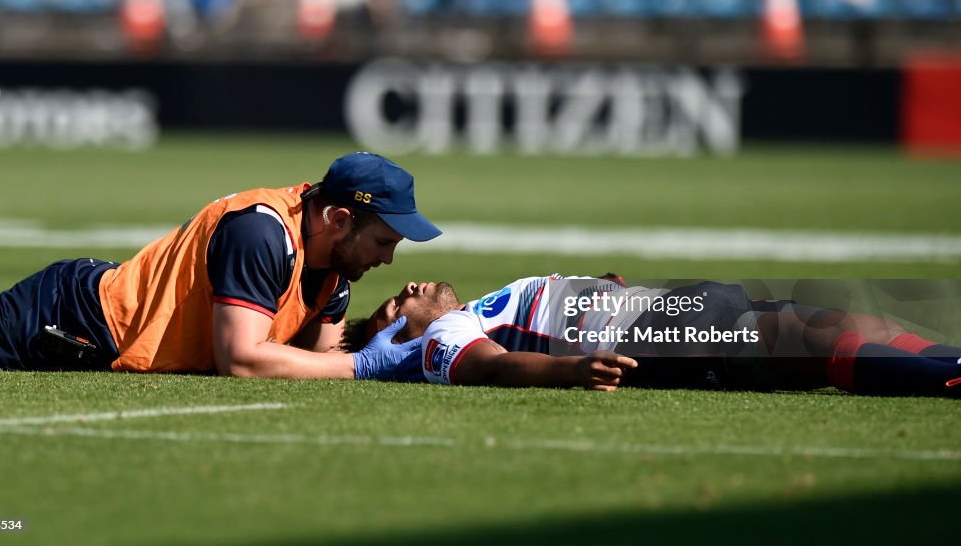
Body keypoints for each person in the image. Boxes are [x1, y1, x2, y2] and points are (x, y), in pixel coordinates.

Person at [0, 152, 438, 381]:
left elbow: (313, 362)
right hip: (74, 315)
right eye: (382, 241)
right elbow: (241, 360)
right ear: (339, 218)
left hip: (109, 321)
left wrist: (376, 335)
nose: (389, 259)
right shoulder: (261, 232)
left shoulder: (334, 277)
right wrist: (365, 366)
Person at [348, 275, 961, 396]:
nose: (408, 288)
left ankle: (948, 363)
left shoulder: (475, 309)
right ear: (395, 337)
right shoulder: (441, 340)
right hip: (650, 331)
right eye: (394, 304)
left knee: (860, 326)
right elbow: (494, 367)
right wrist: (571, 370)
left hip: (658, 309)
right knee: (814, 337)